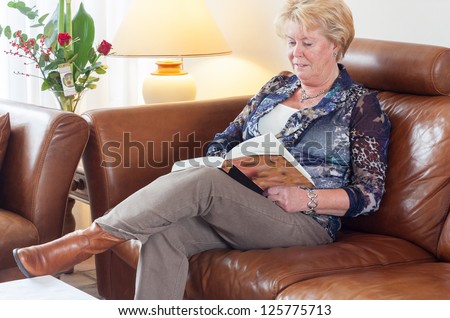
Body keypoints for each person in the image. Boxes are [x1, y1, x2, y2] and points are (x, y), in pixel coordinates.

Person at [13, 0, 390, 299]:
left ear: (336, 45)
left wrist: (303, 199)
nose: (295, 53)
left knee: (205, 184)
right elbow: (225, 138)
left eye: (307, 43)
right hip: (245, 202)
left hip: (306, 222)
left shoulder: (360, 106)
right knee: (165, 233)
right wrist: (228, 159)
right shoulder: (277, 86)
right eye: (291, 42)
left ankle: (86, 242)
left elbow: (369, 195)